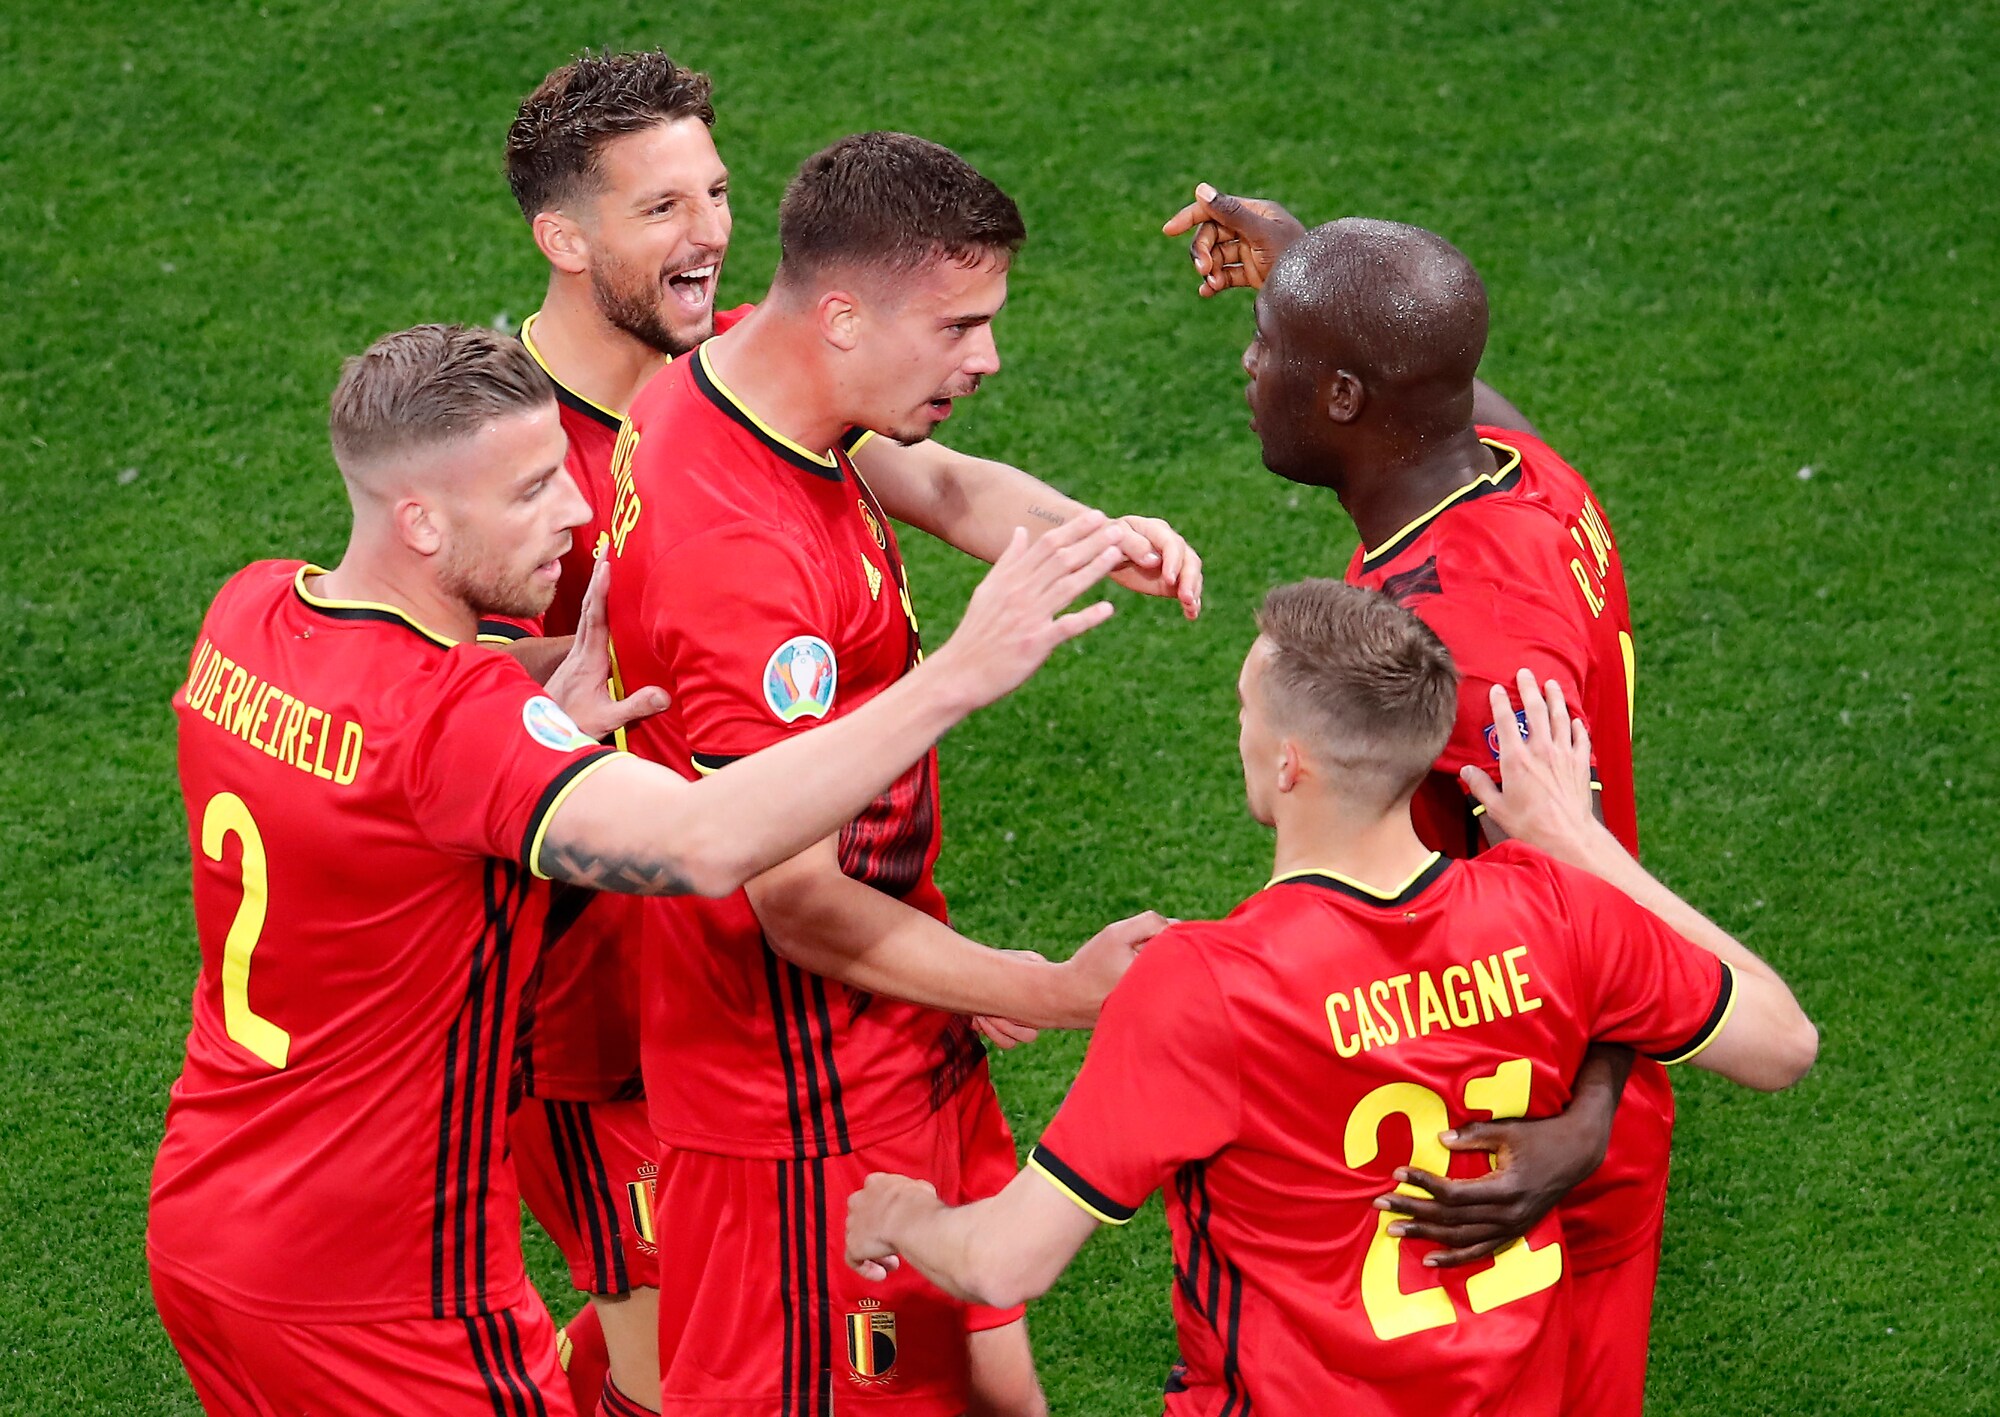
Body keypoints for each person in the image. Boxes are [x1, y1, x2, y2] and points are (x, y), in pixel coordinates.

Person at [148, 322, 1131, 1417]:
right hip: (387, 1286)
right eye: (531, 490)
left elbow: (380, 732)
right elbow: (706, 844)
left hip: (205, 1219)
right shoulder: (453, 726)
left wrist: (536, 704)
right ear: (420, 520)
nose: (576, 510)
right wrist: (954, 676)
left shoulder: (248, 612)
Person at [496, 52, 1204, 1414]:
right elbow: (795, 900)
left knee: (992, 1382)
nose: (987, 358)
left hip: (887, 1031)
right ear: (837, 315)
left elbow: (938, 481)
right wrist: (1050, 985)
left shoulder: (730, 372)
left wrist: (1089, 537)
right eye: (959, 328)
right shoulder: (744, 562)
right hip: (797, 1097)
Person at [844, 581, 1817, 1416]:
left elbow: (1003, 1262)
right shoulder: (1556, 910)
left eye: (1243, 708)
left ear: (1287, 762)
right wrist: (1584, 846)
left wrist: (902, 1211)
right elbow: (1782, 1043)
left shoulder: (1208, 985)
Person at [1165, 189, 1672, 1413]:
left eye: (1271, 348)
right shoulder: (1521, 474)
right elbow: (1440, 383)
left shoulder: (1471, 651)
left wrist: (1584, 1118)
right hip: (1499, 1087)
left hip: (1522, 1138)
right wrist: (1305, 269)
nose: (1249, 365)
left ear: (1345, 398)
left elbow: (1586, 885)